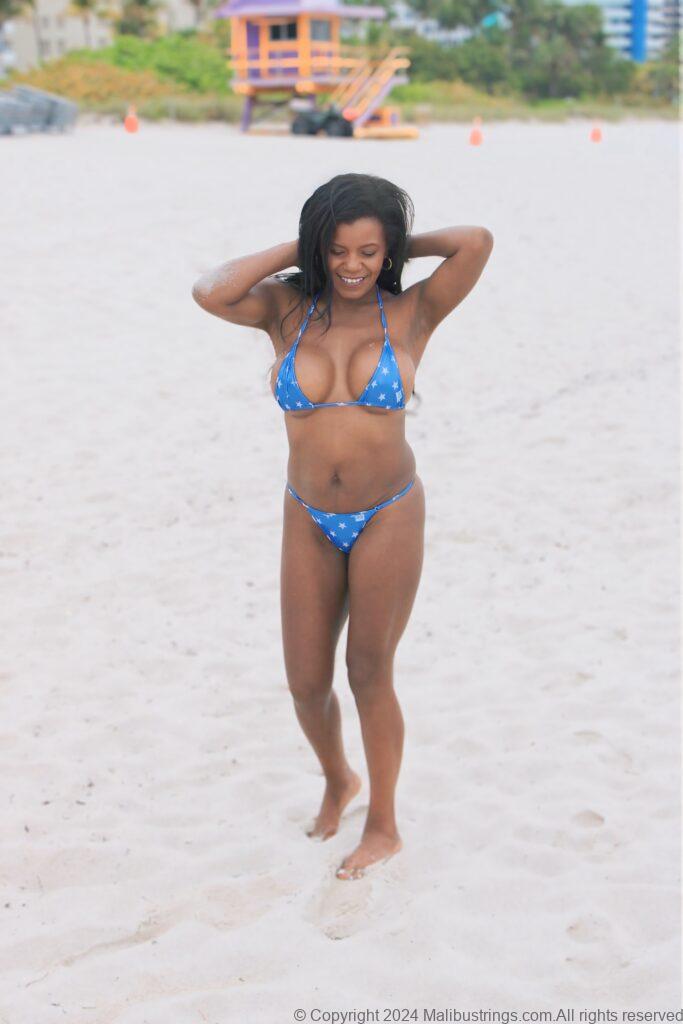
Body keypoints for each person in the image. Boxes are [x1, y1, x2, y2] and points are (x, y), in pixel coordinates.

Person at [192, 173, 494, 880]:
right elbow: (210, 290)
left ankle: (383, 824)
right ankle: (338, 778)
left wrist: (397, 243)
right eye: (336, 250)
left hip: (388, 510)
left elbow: (475, 242)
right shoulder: (285, 310)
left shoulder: (413, 310)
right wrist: (300, 248)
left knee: (367, 671)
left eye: (367, 251)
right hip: (306, 514)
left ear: (386, 252)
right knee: (304, 681)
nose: (351, 266)